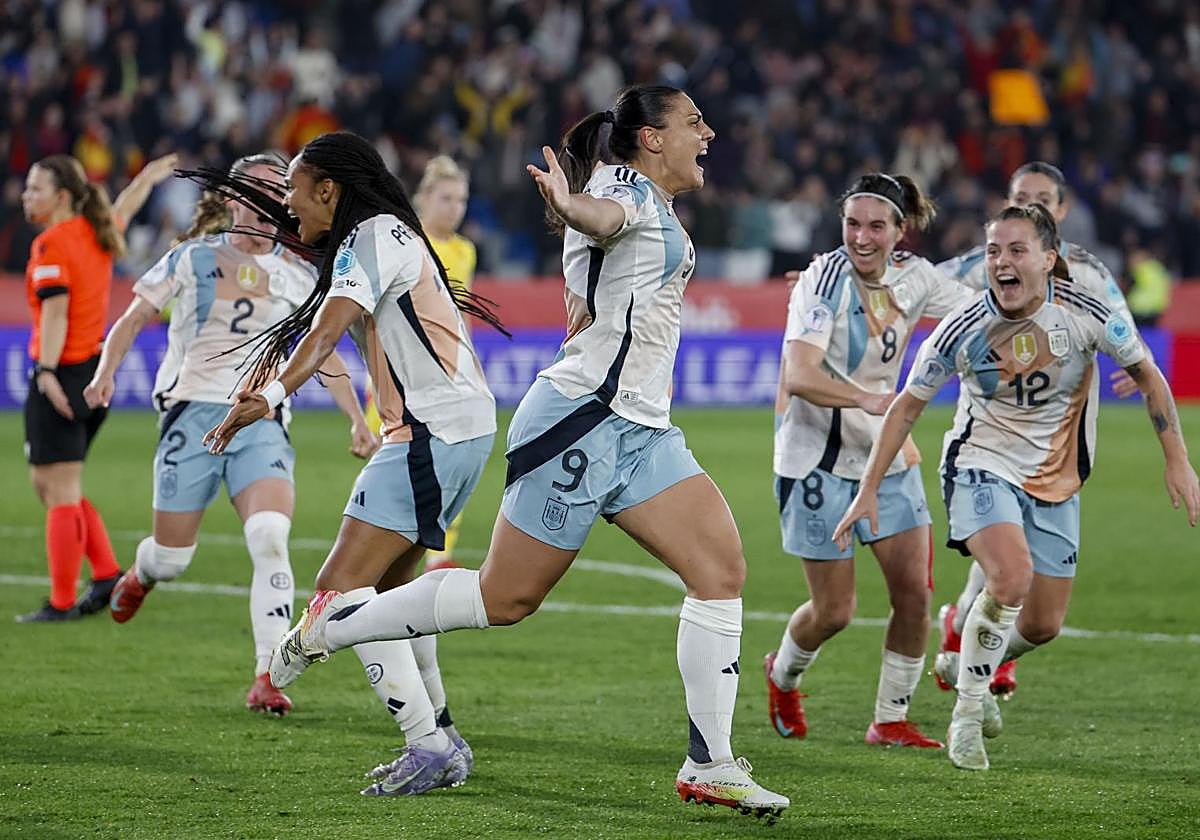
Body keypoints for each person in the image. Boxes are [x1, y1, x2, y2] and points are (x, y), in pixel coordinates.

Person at [214, 87, 790, 822]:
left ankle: (710, 764)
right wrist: (571, 206)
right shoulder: (625, 194)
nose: (708, 132)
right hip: (581, 422)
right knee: (503, 599)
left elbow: (598, 226)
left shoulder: (643, 198)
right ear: (650, 138)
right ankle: (331, 625)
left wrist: (572, 207)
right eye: (693, 122)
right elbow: (601, 217)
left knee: (721, 571)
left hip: (640, 427)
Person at [188, 131, 504, 794]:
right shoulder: (383, 237)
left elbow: (326, 329)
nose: (288, 206)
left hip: (431, 436)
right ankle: (441, 730)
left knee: (338, 598)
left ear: (328, 189)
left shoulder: (373, 237)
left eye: (295, 192)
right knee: (391, 597)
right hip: (446, 430)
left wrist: (269, 396)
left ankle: (427, 743)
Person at [833, 204, 1199, 771]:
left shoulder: (1088, 313)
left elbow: (1148, 372)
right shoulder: (964, 326)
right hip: (980, 462)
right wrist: (867, 489)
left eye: (1016, 250)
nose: (1001, 262)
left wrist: (1177, 458)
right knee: (1009, 576)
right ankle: (968, 716)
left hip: (1058, 476)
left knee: (1043, 624)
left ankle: (964, 653)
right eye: (994, 251)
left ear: (1049, 259)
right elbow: (907, 406)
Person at [82, 152, 378, 716]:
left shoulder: (297, 275)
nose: (271, 204)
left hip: (259, 418)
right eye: (259, 191)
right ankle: (143, 572)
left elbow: (320, 354)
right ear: (231, 198)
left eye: (279, 192)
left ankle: (267, 676)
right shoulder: (191, 257)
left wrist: (356, 419)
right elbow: (133, 318)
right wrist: (105, 373)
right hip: (192, 415)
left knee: (270, 537)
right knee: (172, 559)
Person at [765, 173, 972, 751]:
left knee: (915, 596)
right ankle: (782, 676)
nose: (861, 236)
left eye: (875, 225)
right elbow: (799, 376)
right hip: (816, 462)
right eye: (852, 223)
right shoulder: (822, 280)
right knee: (834, 612)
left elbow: (979, 313)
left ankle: (890, 719)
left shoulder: (916, 278)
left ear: (899, 231)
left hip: (886, 458)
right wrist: (868, 398)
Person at [934, 161, 1140, 698]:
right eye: (1022, 196)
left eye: (1044, 198)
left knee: (1019, 580)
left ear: (1062, 210)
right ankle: (981, 663)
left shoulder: (1089, 273)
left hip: (1058, 447)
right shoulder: (990, 263)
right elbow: (918, 280)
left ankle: (966, 631)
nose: (1033, 205)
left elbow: (1125, 329)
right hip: (991, 439)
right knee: (1006, 563)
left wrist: (1131, 368)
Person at [17, 152, 177, 624]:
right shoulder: (97, 230)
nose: (26, 197)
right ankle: (106, 572)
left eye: (35, 189)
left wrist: (45, 373)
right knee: (51, 485)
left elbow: (55, 313)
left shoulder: (52, 245)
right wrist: (147, 177)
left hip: (62, 373)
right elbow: (124, 207)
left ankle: (62, 602)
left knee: (59, 490)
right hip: (91, 368)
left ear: (62, 197)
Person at [364, 154, 477, 574]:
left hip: (445, 376)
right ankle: (385, 553)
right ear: (424, 198)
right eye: (446, 198)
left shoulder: (465, 251)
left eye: (461, 200)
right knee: (395, 474)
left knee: (452, 461)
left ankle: (439, 556)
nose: (455, 208)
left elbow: (461, 314)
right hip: (401, 376)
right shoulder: (403, 242)